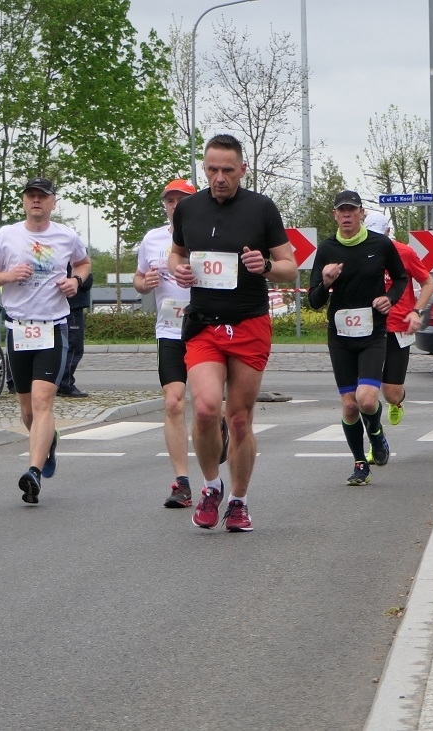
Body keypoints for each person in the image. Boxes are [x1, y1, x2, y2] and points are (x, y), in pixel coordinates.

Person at [169, 134, 297, 532]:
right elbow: (177, 253)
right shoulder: (188, 209)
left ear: (243, 169)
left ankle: (239, 502)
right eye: (212, 169)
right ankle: (212, 486)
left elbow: (290, 267)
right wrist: (178, 269)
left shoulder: (262, 208)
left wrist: (266, 266)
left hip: (248, 323)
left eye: (227, 170)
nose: (219, 177)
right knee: (206, 408)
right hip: (204, 324)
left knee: (238, 419)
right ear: (204, 168)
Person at [0, 177, 91, 504]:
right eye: (31, 196)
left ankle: (34, 472)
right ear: (24, 202)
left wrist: (76, 281)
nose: (36, 200)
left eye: (42, 196)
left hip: (52, 327)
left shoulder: (67, 236)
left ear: (53, 202)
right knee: (27, 409)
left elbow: (83, 263)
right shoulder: (7, 235)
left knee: (43, 402)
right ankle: (48, 441)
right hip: (18, 329)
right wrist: (8, 276)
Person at [134, 178, 230, 509]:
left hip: (207, 329)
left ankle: (219, 424)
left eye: (181, 199)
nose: (175, 206)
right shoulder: (152, 239)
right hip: (170, 330)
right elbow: (139, 278)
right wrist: (144, 283)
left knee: (207, 405)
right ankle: (182, 482)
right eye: (170, 200)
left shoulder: (211, 233)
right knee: (174, 402)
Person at [306, 191, 408, 487]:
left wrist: (390, 298)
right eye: (342, 210)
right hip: (340, 336)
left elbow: (401, 278)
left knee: (366, 400)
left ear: (361, 213)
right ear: (335, 215)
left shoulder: (380, 244)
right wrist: (326, 282)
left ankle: (376, 435)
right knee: (350, 406)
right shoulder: (327, 249)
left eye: (352, 209)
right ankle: (360, 463)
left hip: (373, 333)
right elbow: (314, 301)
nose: (347, 215)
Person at [362, 210, 433, 427]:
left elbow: (428, 283)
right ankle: (374, 433)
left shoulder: (405, 252)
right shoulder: (359, 252)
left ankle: (397, 402)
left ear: (388, 232)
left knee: (391, 393)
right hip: (367, 328)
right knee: (364, 393)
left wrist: (416, 311)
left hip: (398, 328)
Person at [58, 265, 93, 397]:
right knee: (73, 347)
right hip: (72, 307)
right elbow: (86, 281)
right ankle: (65, 384)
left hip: (64, 307)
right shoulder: (71, 259)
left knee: (63, 347)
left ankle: (59, 383)